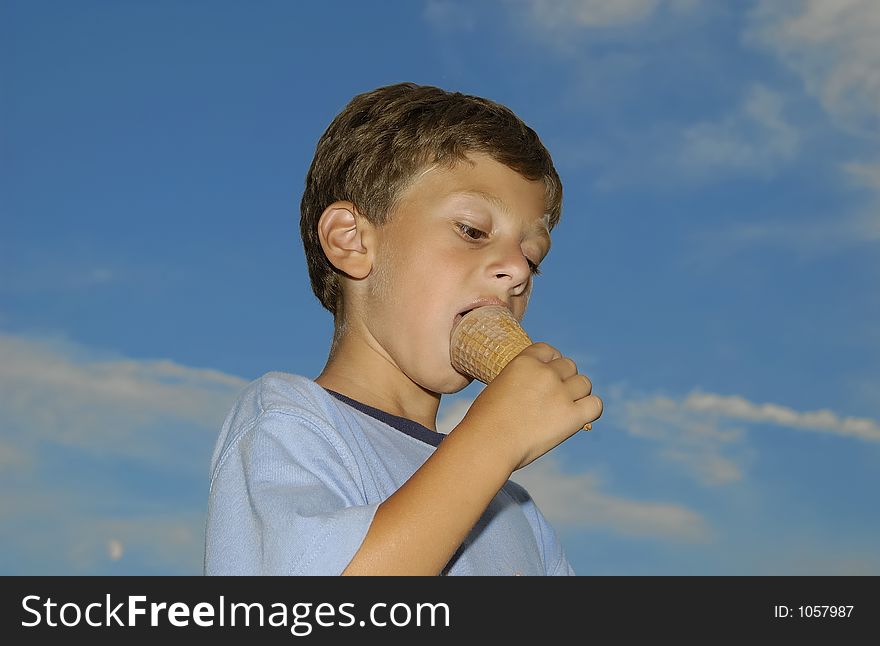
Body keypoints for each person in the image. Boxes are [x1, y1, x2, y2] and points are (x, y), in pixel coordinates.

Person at [204, 82, 603, 575]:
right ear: (351, 241)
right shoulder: (291, 420)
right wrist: (495, 437)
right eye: (473, 231)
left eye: (532, 257)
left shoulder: (517, 512)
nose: (517, 271)